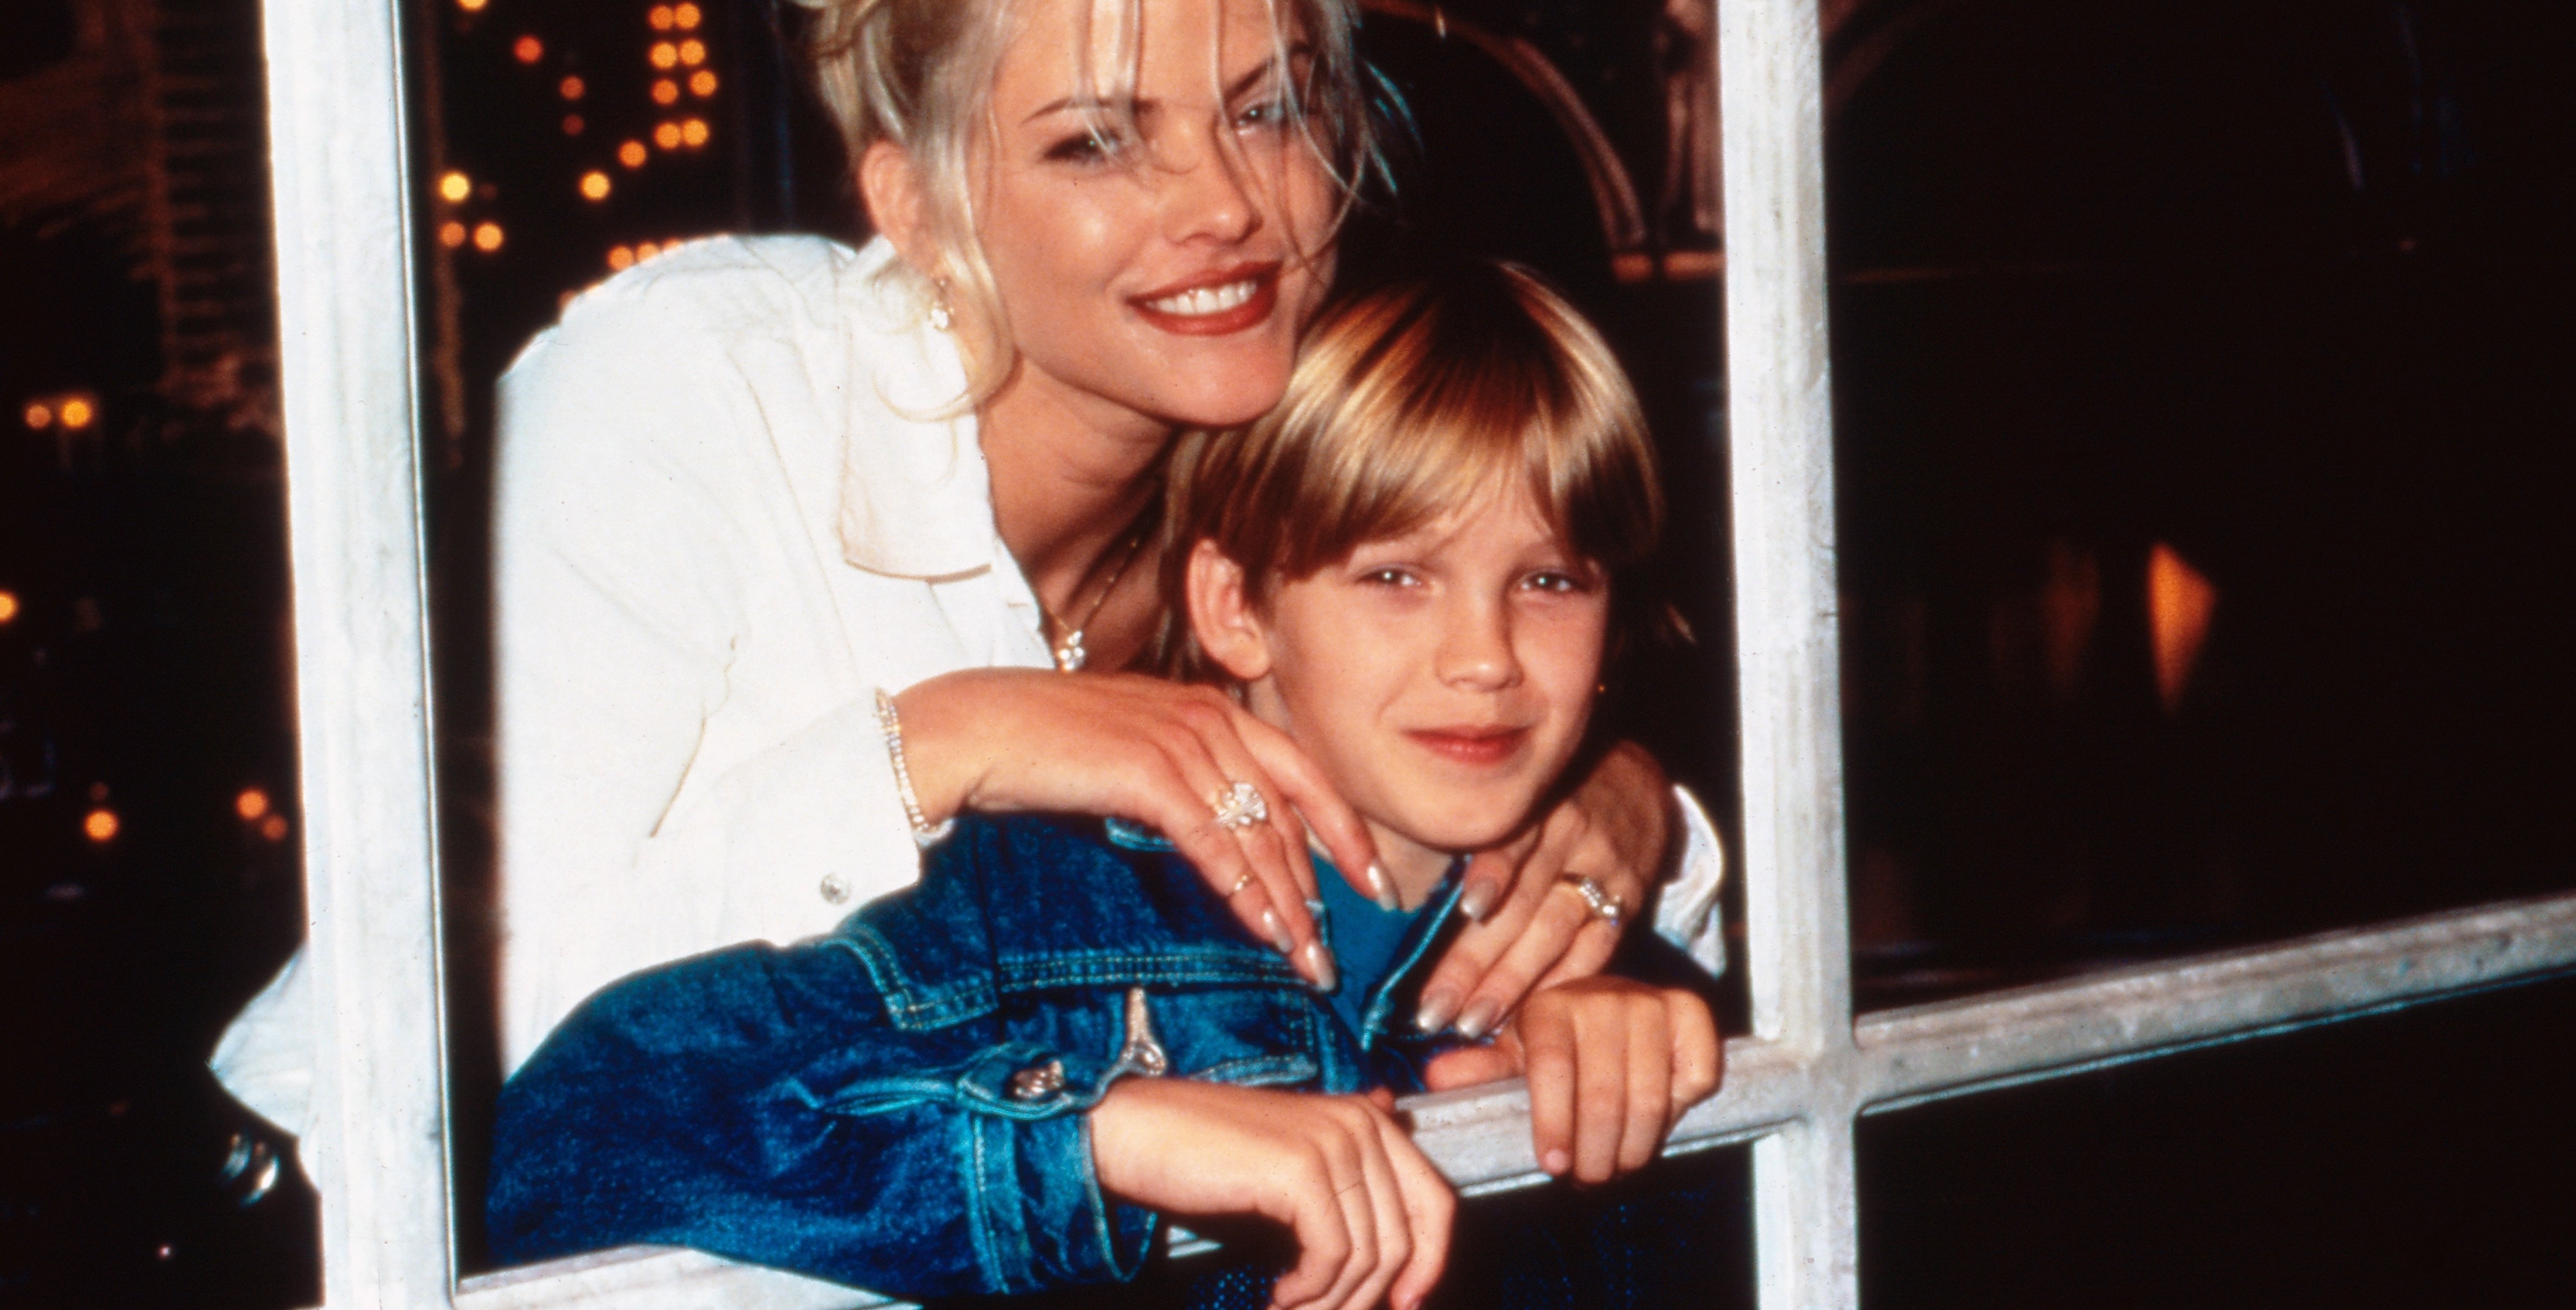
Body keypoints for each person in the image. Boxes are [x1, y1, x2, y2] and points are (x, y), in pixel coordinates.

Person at [213, 0, 1721, 1165]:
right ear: (919, 201)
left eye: (1265, 109)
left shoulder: (1298, 434)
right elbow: (427, 1053)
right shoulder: (686, 387)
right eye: (1096, 141)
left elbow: (1405, 866)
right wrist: (941, 744)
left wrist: (1627, 807)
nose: (1227, 209)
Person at [488, 264, 1727, 1310]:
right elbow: (574, 1129)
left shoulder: (1603, 950)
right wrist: (1097, 1130)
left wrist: (1645, 1055)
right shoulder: (1031, 900)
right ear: (1233, 606)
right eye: (1394, 576)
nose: (1483, 656)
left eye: (1550, 580)